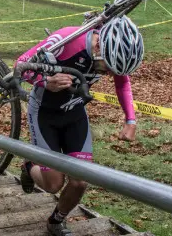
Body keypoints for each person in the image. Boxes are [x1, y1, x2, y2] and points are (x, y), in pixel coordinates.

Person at [17, 16, 143, 236]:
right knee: (53, 184)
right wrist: (47, 82)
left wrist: (130, 119)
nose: (110, 74)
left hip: (75, 113)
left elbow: (122, 81)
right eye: (109, 68)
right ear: (98, 46)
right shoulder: (68, 38)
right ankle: (29, 167)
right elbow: (20, 66)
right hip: (44, 113)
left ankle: (56, 220)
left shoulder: (112, 53)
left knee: (80, 182)